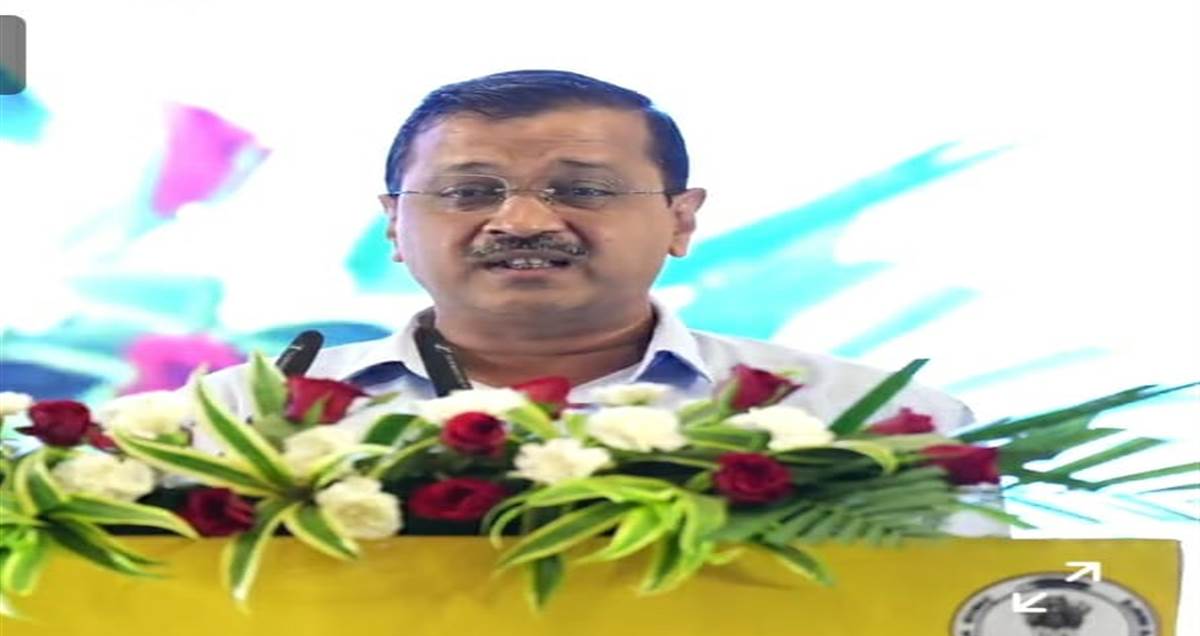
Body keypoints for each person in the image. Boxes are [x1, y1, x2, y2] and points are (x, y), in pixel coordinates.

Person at [206, 69, 972, 433]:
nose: (520, 221)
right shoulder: (229, 421)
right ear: (392, 226)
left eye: (584, 190)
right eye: (470, 192)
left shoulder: (871, 421)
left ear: (681, 219)